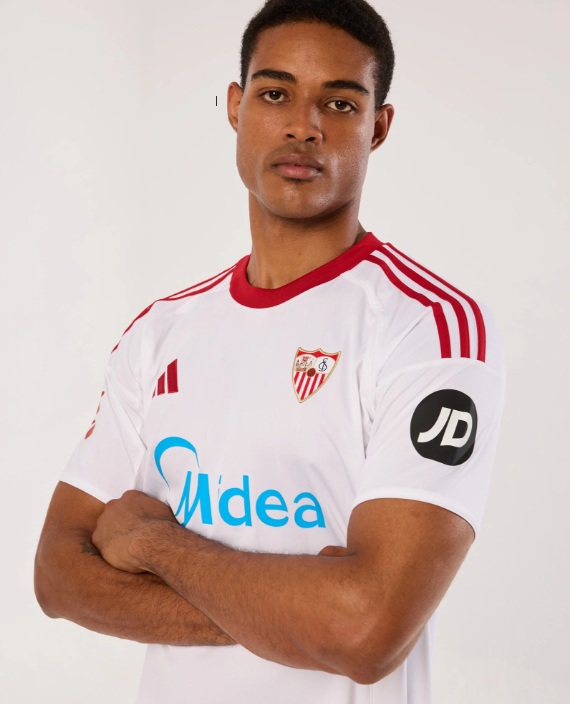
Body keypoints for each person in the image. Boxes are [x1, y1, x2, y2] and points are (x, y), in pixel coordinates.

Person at [34, 1, 505, 702]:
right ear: (236, 106)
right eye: (275, 93)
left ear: (377, 127)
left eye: (339, 103)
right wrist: (301, 609)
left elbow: (366, 632)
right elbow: (58, 577)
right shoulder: (159, 332)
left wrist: (157, 545)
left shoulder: (432, 328)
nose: (302, 125)